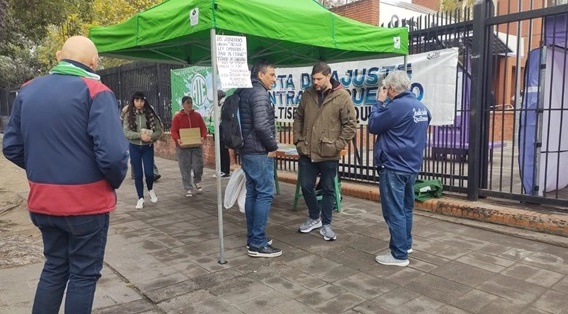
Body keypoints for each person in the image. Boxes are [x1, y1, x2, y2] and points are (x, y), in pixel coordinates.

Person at [2, 36, 128, 313]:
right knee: (83, 274)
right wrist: (111, 182)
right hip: (86, 206)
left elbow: (11, 147)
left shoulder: (28, 91)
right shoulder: (96, 91)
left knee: (55, 268)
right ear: (94, 63)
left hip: (43, 201)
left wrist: (43, 170)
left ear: (59, 56)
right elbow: (114, 155)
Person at [368, 70, 431, 267]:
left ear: (392, 89)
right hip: (411, 166)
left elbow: (373, 125)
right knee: (406, 208)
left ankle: (399, 254)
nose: (385, 91)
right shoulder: (420, 107)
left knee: (394, 211)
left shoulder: (397, 107)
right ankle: (406, 244)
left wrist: (378, 102)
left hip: (394, 166)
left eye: (386, 88)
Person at [293, 61, 357, 241]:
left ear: (328, 76)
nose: (316, 82)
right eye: (313, 78)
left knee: (329, 189)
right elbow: (299, 117)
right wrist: (298, 139)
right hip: (307, 150)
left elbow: (350, 125)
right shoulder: (308, 94)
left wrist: (338, 145)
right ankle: (315, 217)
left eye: (319, 78)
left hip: (329, 152)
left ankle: (326, 224)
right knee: (306, 186)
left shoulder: (342, 96)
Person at [239, 61, 281, 258]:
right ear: (261, 75)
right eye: (271, 74)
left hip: (247, 151)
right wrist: (273, 146)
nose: (274, 78)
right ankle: (257, 242)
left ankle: (253, 237)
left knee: (253, 193)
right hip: (259, 151)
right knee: (265, 193)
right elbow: (262, 126)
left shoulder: (245, 91)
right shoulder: (259, 94)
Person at [123, 91, 163, 209]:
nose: (139, 103)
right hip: (134, 147)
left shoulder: (150, 113)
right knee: (138, 174)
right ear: (133, 101)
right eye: (137, 100)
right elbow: (126, 132)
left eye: (141, 100)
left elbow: (159, 130)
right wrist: (140, 136)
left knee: (150, 173)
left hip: (147, 147)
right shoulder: (128, 114)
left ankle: (150, 189)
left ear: (144, 101)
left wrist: (151, 137)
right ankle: (140, 198)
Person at [170, 96, 207, 197]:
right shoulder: (178, 117)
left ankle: (197, 180)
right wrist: (177, 139)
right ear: (183, 104)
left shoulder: (197, 116)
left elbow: (203, 128)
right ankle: (188, 187)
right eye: (187, 103)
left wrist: (203, 137)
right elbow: (173, 131)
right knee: (185, 167)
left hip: (196, 145)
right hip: (183, 146)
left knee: (198, 165)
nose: (190, 105)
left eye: (191, 102)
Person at [121, 104, 161, 182]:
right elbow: (122, 120)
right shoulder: (127, 109)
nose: (139, 103)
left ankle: (154, 173)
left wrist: (151, 135)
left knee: (150, 159)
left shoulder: (150, 108)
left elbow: (156, 122)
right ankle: (134, 173)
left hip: (147, 139)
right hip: (132, 138)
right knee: (134, 159)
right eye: (137, 100)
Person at [216, 89, 231, 177]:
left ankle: (225, 170)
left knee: (224, 150)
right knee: (220, 150)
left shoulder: (224, 103)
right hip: (219, 128)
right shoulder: (218, 104)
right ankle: (222, 169)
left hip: (223, 128)